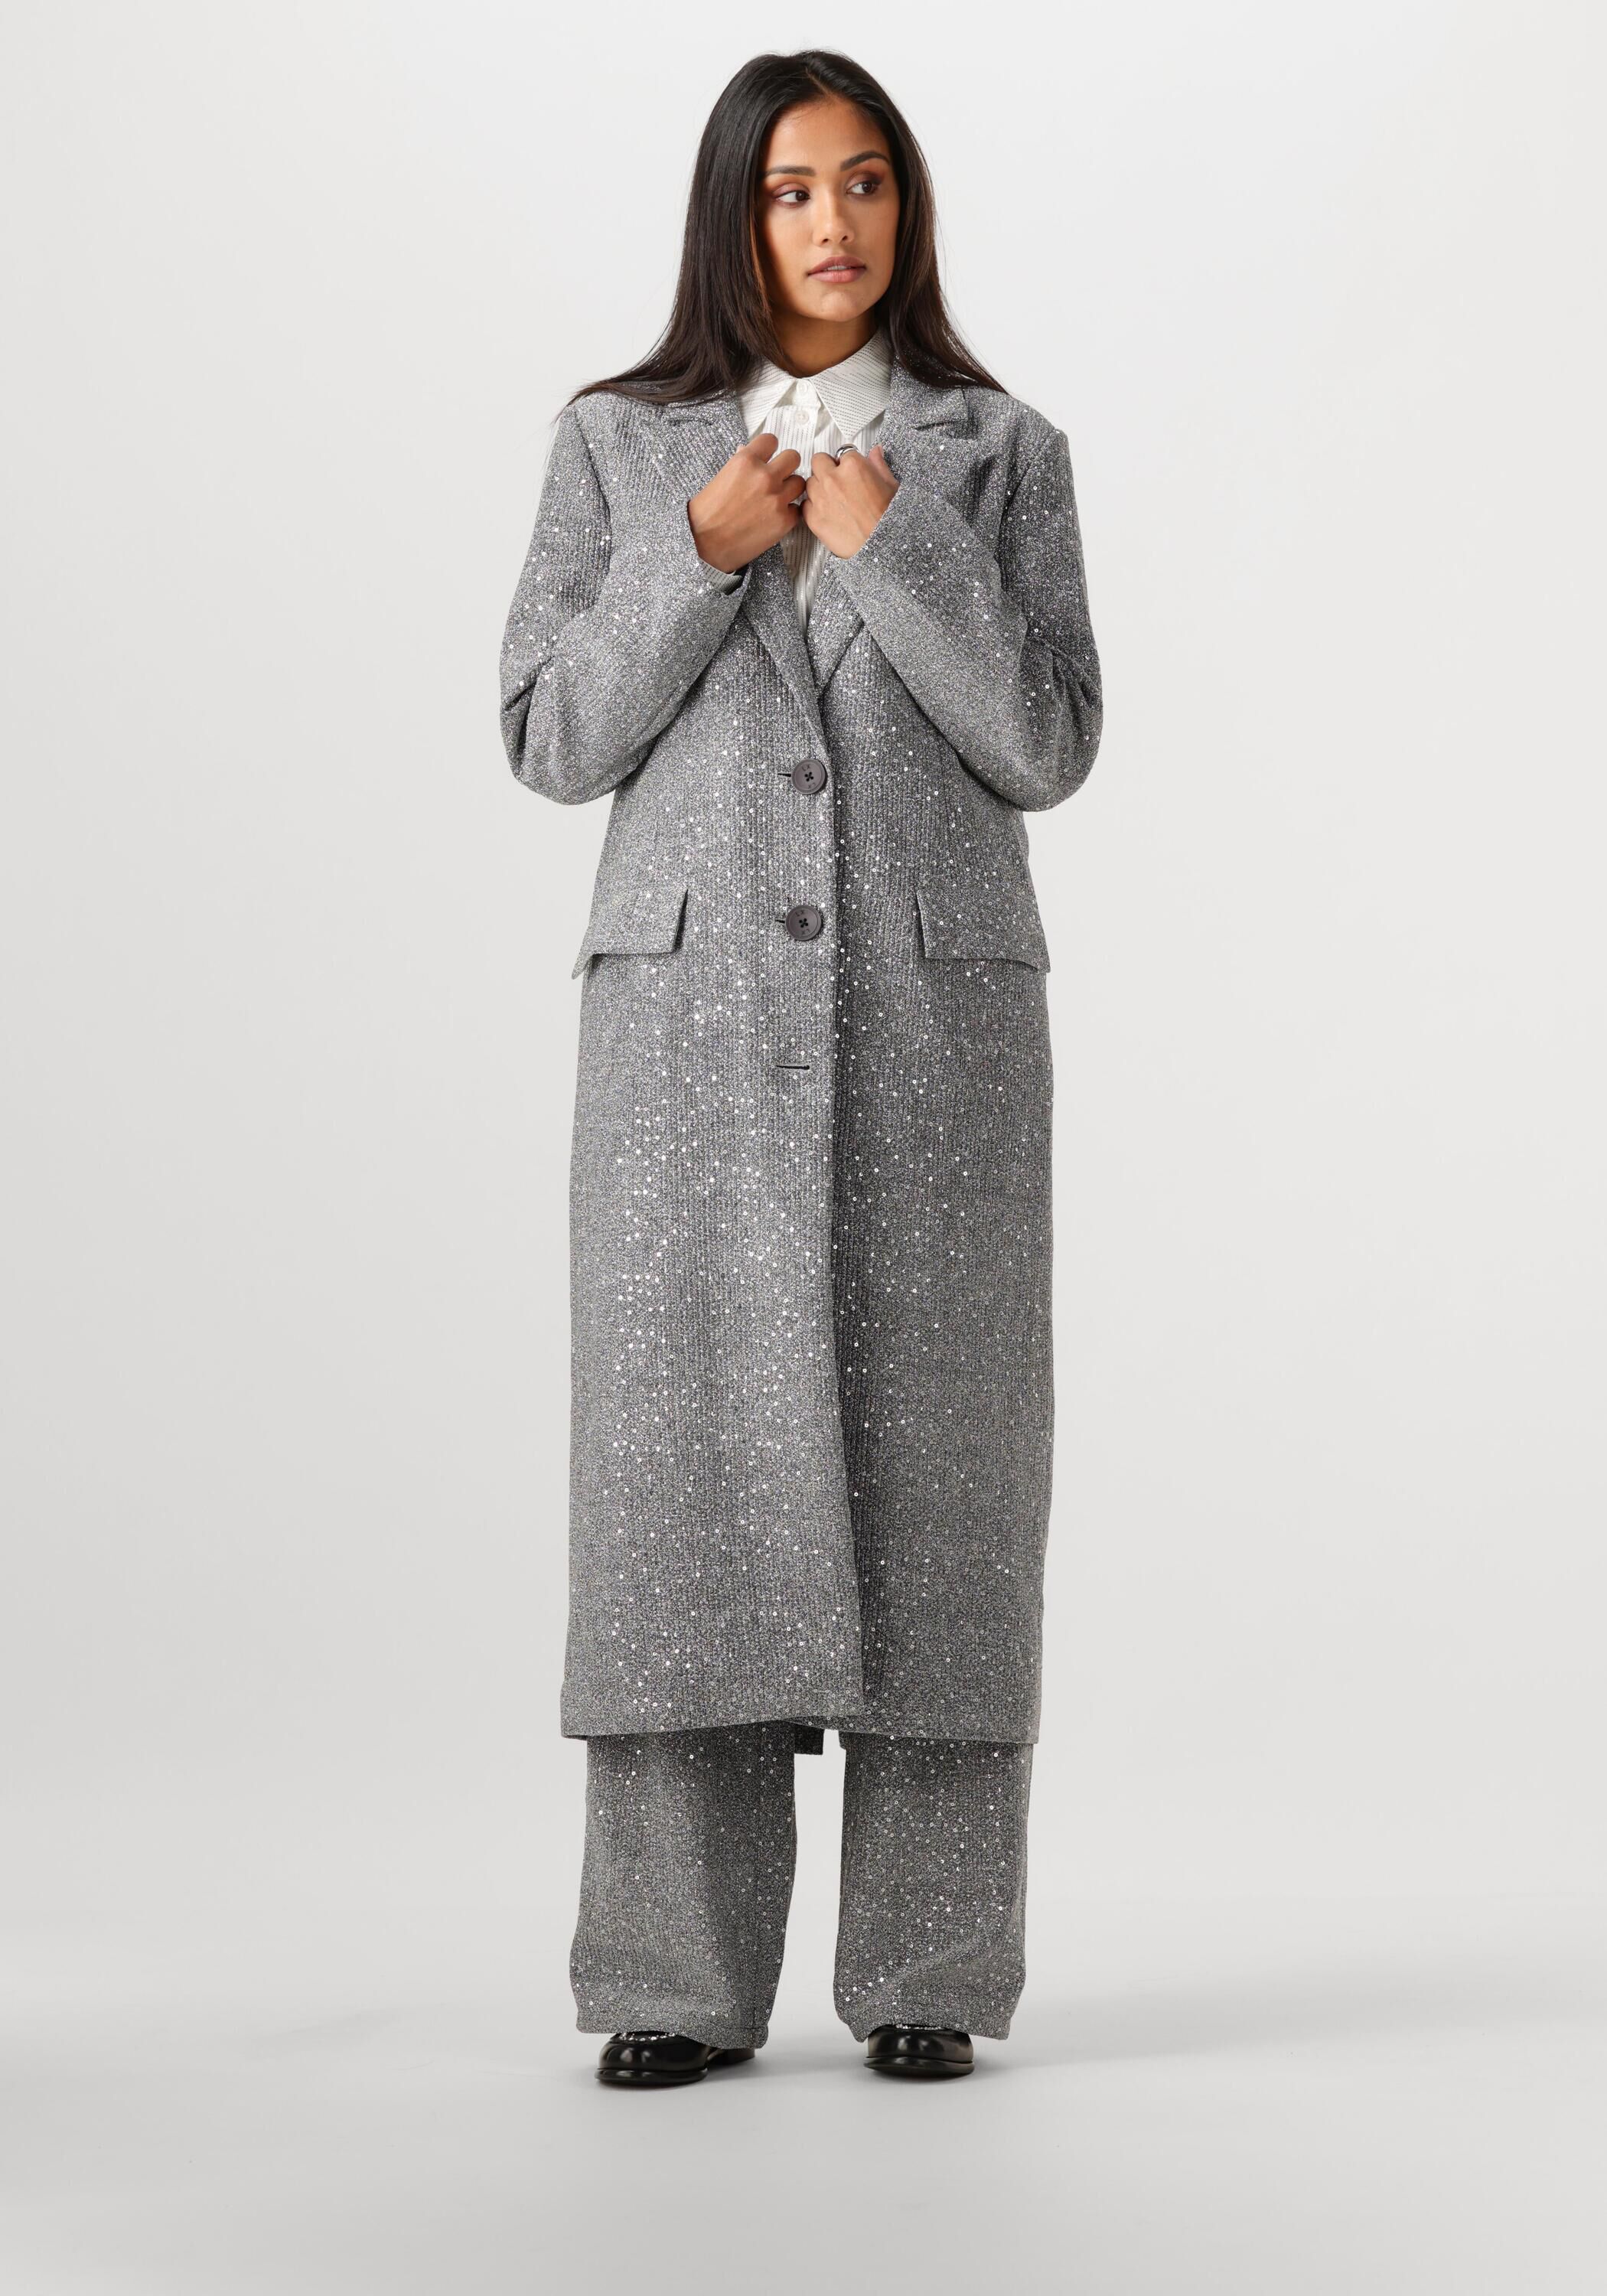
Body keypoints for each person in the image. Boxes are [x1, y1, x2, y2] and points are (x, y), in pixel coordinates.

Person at [496, 47, 1103, 2087]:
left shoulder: (1000, 452)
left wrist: (890, 545)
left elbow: (1047, 742)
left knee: (944, 1477)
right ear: (731, 218)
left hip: (939, 1041)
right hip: (684, 1055)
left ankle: (930, 1966)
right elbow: (550, 736)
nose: (833, 223)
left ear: (905, 209)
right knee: (684, 1481)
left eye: (864, 183)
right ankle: (670, 1979)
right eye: (787, 189)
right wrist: (700, 540)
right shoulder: (616, 445)